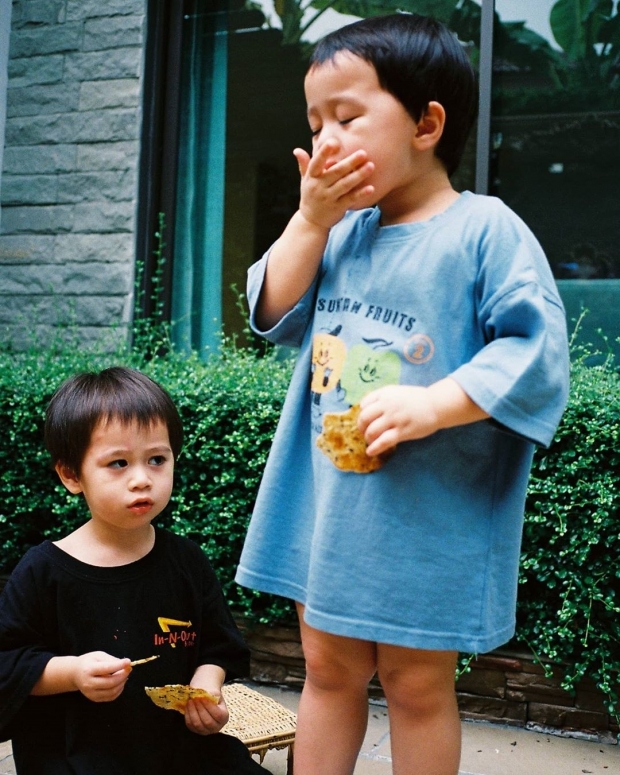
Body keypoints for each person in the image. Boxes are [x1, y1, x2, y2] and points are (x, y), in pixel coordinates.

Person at [235, 12, 570, 775]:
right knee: (325, 671)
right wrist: (310, 218)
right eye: (314, 122)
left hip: (425, 519)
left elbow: (536, 350)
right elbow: (269, 309)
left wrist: (435, 403)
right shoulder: (338, 231)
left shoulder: (485, 230)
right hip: (327, 506)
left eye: (347, 116)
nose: (324, 141)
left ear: (426, 123)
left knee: (418, 685)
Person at [0, 367, 270, 775]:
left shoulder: (186, 561)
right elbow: (9, 664)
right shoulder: (42, 572)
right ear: (72, 475)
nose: (142, 479)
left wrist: (206, 689)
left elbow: (219, 647)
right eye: (118, 463)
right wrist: (72, 673)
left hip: (177, 748)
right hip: (76, 755)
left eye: (157, 460)